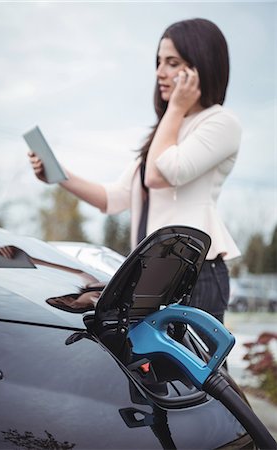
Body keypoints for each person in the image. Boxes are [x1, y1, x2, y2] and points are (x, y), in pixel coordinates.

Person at [29, 18, 242, 327]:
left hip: (196, 274)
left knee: (196, 372)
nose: (160, 73)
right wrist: (58, 175)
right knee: (149, 372)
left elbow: (162, 173)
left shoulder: (222, 122)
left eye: (172, 63)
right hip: (152, 275)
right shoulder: (166, 132)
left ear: (200, 67)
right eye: (158, 62)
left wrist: (175, 109)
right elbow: (113, 198)